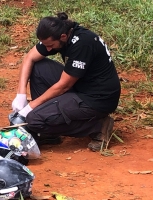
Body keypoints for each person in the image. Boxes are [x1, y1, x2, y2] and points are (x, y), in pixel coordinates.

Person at [10, 12, 121, 151]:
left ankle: (98, 126)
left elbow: (63, 85)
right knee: (38, 67)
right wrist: (21, 95)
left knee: (33, 119)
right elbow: (29, 58)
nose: (48, 48)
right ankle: (48, 131)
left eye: (50, 45)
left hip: (97, 99)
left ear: (62, 37)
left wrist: (29, 108)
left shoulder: (83, 43)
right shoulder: (60, 35)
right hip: (81, 84)